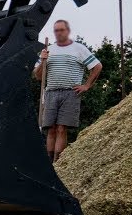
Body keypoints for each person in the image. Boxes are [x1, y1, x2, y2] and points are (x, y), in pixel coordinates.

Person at [33, 19, 102, 163]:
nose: (58, 33)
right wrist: (42, 61)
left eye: (61, 30)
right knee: (50, 129)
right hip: (51, 92)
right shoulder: (48, 50)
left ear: (67, 31)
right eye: (56, 30)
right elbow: (38, 76)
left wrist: (86, 85)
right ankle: (48, 163)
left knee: (61, 128)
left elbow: (97, 66)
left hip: (70, 93)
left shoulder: (79, 49)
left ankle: (59, 162)